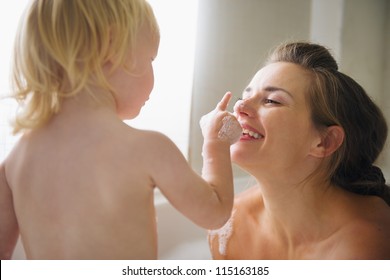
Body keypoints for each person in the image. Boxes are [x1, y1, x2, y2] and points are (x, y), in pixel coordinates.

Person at [0, 0, 239, 260]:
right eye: (150, 58)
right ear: (111, 47)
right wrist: (216, 142)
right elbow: (215, 213)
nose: (153, 70)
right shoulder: (148, 149)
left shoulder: (15, 161)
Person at [208, 41, 390, 260]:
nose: (239, 107)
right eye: (244, 96)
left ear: (324, 142)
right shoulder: (229, 224)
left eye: (271, 100)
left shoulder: (365, 245)